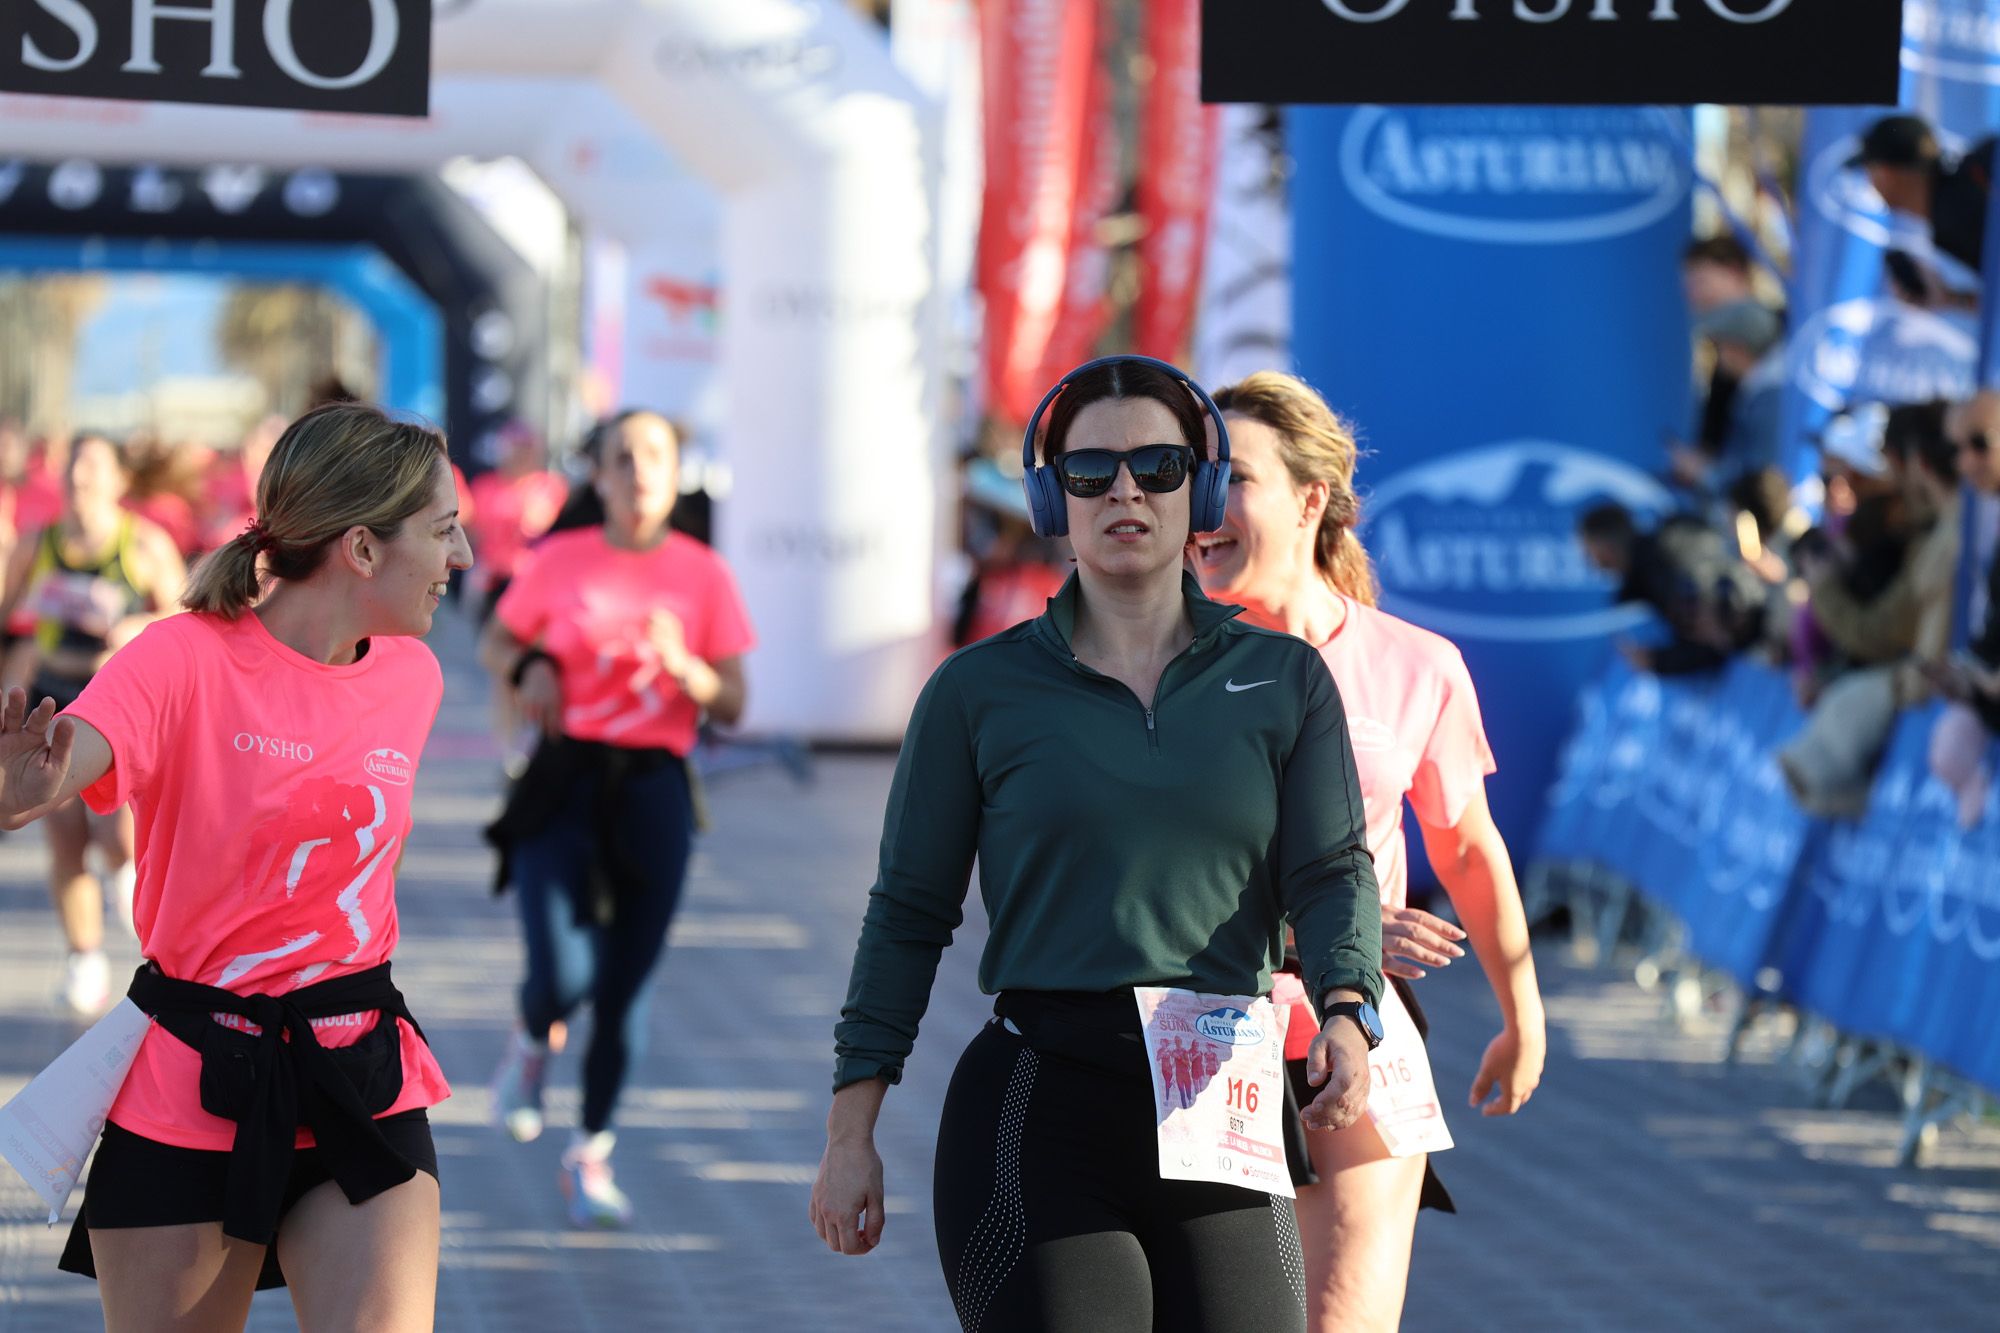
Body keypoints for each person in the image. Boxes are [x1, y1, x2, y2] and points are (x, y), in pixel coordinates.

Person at [811, 355, 1385, 1332]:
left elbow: (1331, 869)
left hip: (1224, 1106)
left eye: (1158, 466)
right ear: (1051, 497)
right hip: (1038, 1105)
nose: (1125, 490)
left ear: (1198, 490)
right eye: (1090, 471)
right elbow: (906, 914)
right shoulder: (977, 692)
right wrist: (849, 1131)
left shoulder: (1282, 680)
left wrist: (1345, 1006)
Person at [0, 402, 471, 1330]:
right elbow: (60, 769)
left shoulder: (413, 677)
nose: (460, 559)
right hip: (192, 1084)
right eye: (444, 531)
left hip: (358, 1074)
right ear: (363, 549)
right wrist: (19, 792)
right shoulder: (181, 658)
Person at [1190, 370, 1545, 1333]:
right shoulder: (1154, 661)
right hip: (1192, 1024)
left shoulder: (1416, 663)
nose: (1201, 506)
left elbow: (1468, 847)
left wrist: (1523, 1013)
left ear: (1311, 499)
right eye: (1194, 477)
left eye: (1234, 479)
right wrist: (1313, 922)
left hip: (1363, 1028)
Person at [481, 409, 753, 1227]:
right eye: (623, 457)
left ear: (676, 475)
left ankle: (590, 1156)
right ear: (596, 475)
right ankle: (531, 1044)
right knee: (566, 975)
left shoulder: (704, 573)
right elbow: (496, 639)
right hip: (563, 779)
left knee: (625, 991)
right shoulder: (559, 559)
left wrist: (688, 673)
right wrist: (528, 662)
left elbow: (736, 702)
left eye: (656, 457)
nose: (639, 471)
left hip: (654, 788)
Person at [0, 432, 185, 1015]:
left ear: (118, 482)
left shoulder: (144, 545)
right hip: (55, 695)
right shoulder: (38, 544)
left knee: (115, 831)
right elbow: (8, 617)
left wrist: (135, 630)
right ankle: (83, 957)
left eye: (93, 470)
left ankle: (126, 871)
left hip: (120, 699)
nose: (81, 482)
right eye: (73, 471)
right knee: (64, 837)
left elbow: (188, 624)